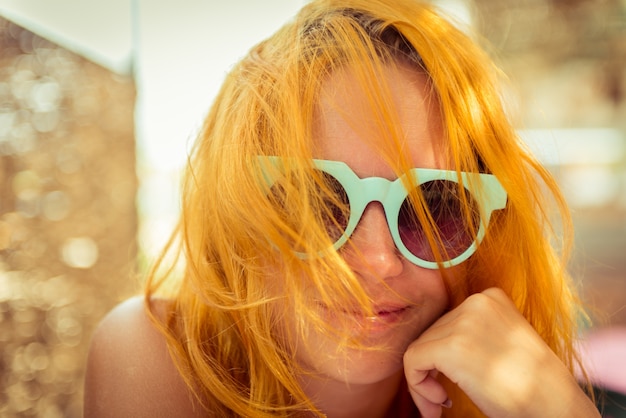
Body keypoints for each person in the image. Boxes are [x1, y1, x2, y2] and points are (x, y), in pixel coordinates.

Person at [83, 0, 602, 417]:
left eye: (433, 208)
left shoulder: (507, 391)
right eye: (318, 202)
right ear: (238, 212)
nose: (379, 261)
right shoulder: (156, 356)